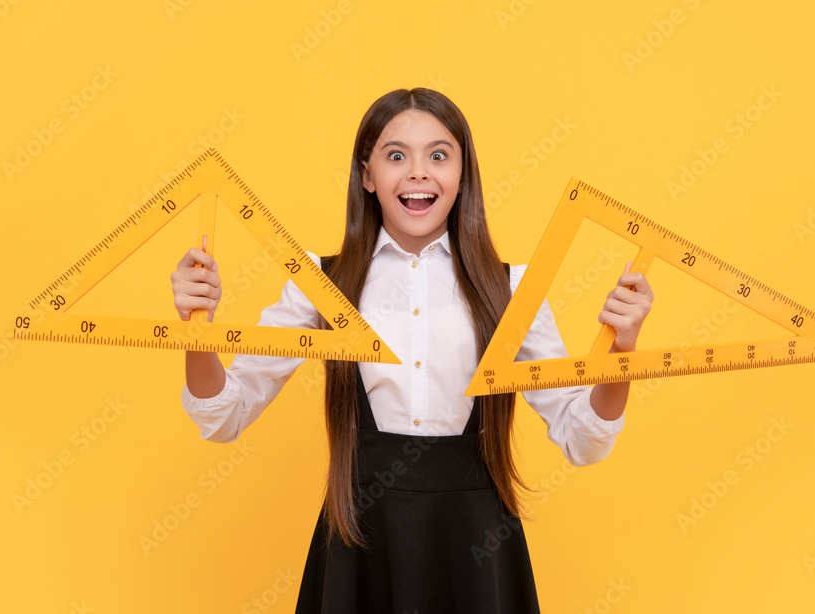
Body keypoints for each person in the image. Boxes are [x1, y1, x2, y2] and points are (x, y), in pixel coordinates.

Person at [170, 88, 654, 613]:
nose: (418, 172)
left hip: (477, 547)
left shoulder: (512, 290)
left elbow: (583, 439)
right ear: (367, 175)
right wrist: (198, 331)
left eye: (439, 155)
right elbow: (225, 415)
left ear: (463, 176)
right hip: (362, 542)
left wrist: (621, 351)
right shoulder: (321, 282)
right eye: (396, 155)